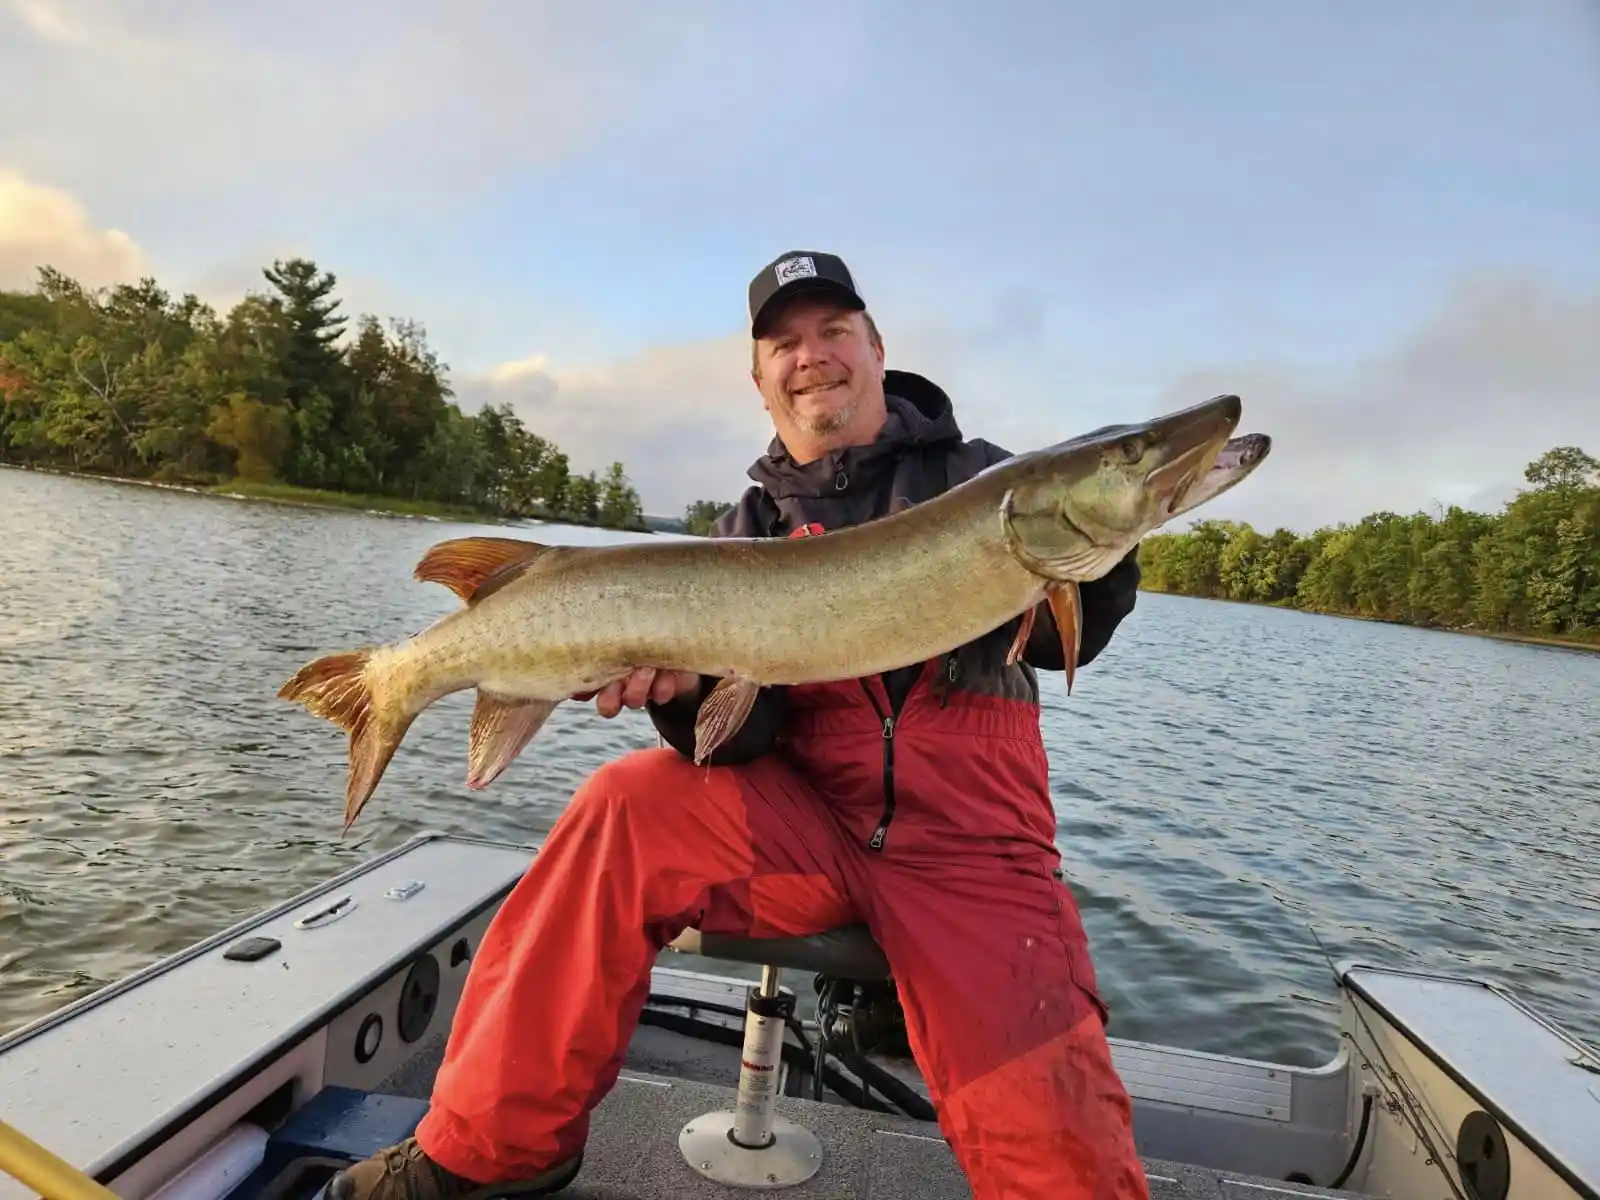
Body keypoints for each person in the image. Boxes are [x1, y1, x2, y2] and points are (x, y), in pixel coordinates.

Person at [328, 251, 1150, 1200]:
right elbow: (740, 740)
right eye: (784, 343)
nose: (813, 357)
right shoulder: (747, 528)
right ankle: (489, 1151)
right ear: (760, 380)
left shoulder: (984, 482)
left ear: (877, 349)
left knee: (1062, 1155)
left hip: (973, 849)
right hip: (807, 824)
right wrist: (677, 694)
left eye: (834, 331)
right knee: (621, 808)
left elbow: (1059, 644)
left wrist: (1106, 550)